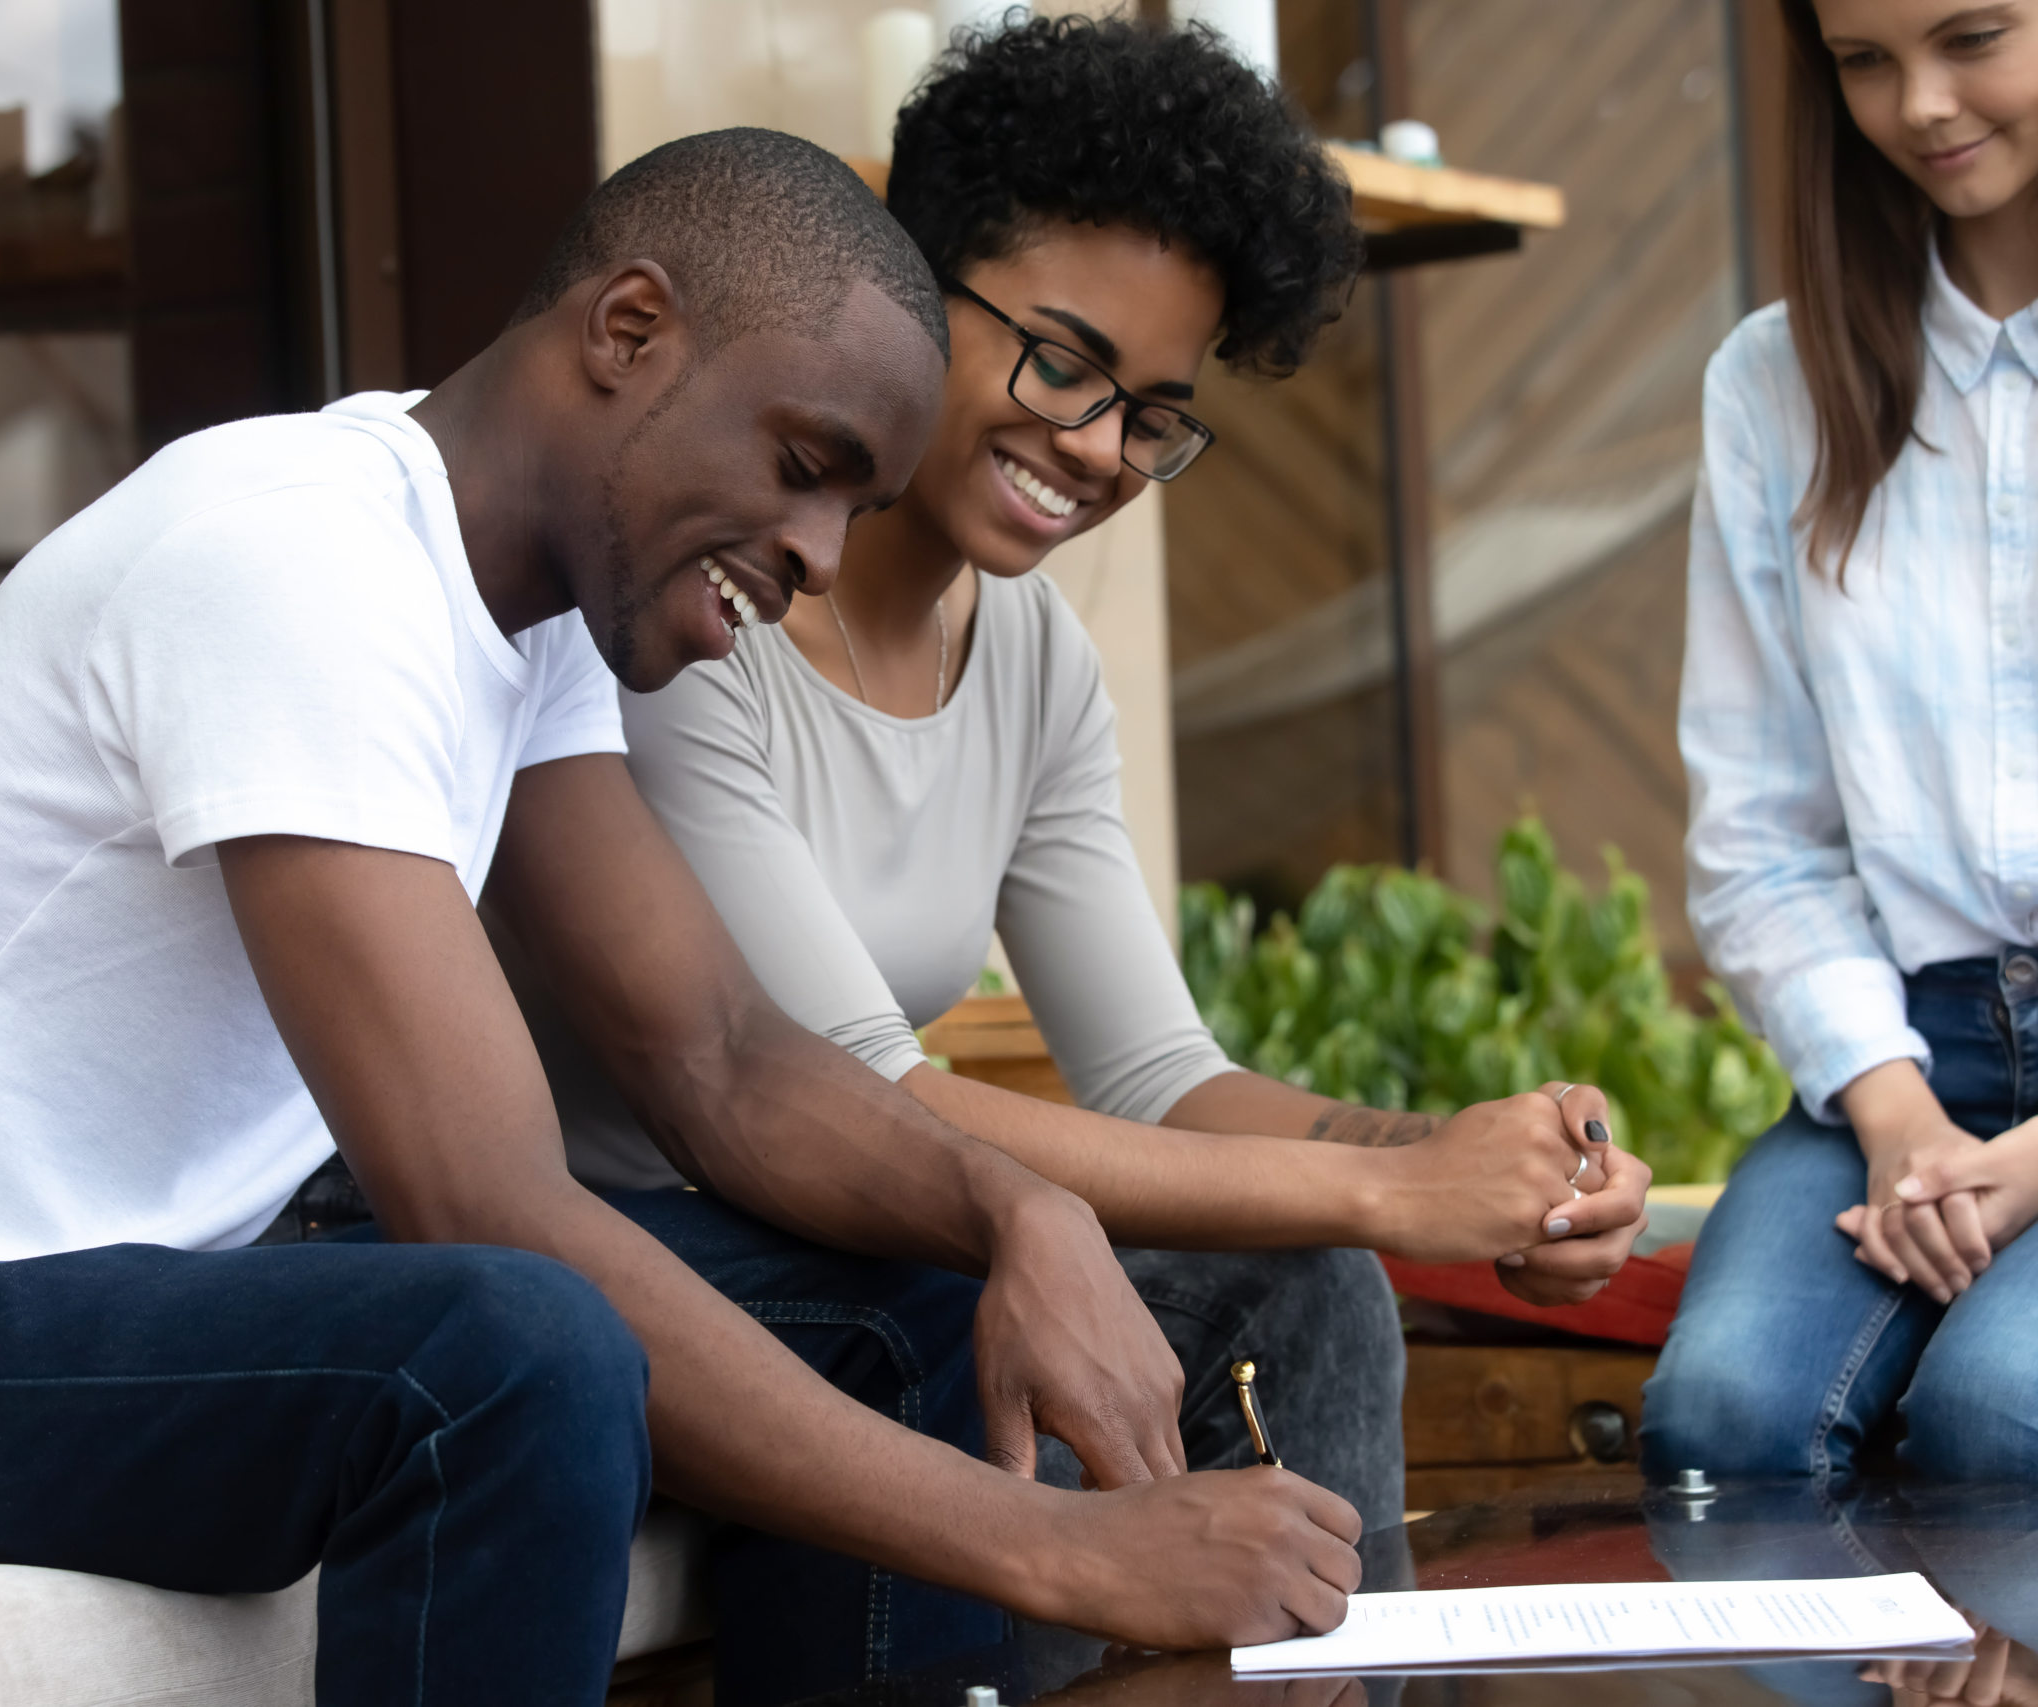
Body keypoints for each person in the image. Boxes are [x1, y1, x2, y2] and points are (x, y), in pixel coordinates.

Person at [0, 130, 1362, 1707]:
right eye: (806, 460)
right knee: (505, 1351)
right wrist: (1056, 1553)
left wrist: (1012, 1206)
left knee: (896, 1302)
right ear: (630, 330)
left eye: (855, 501)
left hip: (91, 1306)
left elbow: (719, 1058)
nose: (820, 552)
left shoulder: (529, 625)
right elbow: (485, 1209)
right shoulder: (299, 561)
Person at [486, 14, 1651, 1537]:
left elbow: (1164, 1079)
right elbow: (858, 1093)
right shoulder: (706, 600)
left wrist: (1466, 1163)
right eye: (1060, 362)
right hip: (641, 1247)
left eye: (1155, 415)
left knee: (1306, 1289)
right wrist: (1386, 1195)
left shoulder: (1035, 662)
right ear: (910, 282)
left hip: (860, 1235)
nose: (1098, 447)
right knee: (990, 1318)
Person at [1641, 0, 2038, 1484]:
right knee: (1724, 1423)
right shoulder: (1772, 385)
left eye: (1972, 36)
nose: (1919, 105)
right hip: (1907, 1053)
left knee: (2005, 1419)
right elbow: (1761, 836)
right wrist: (1903, 1119)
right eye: (1863, 62)